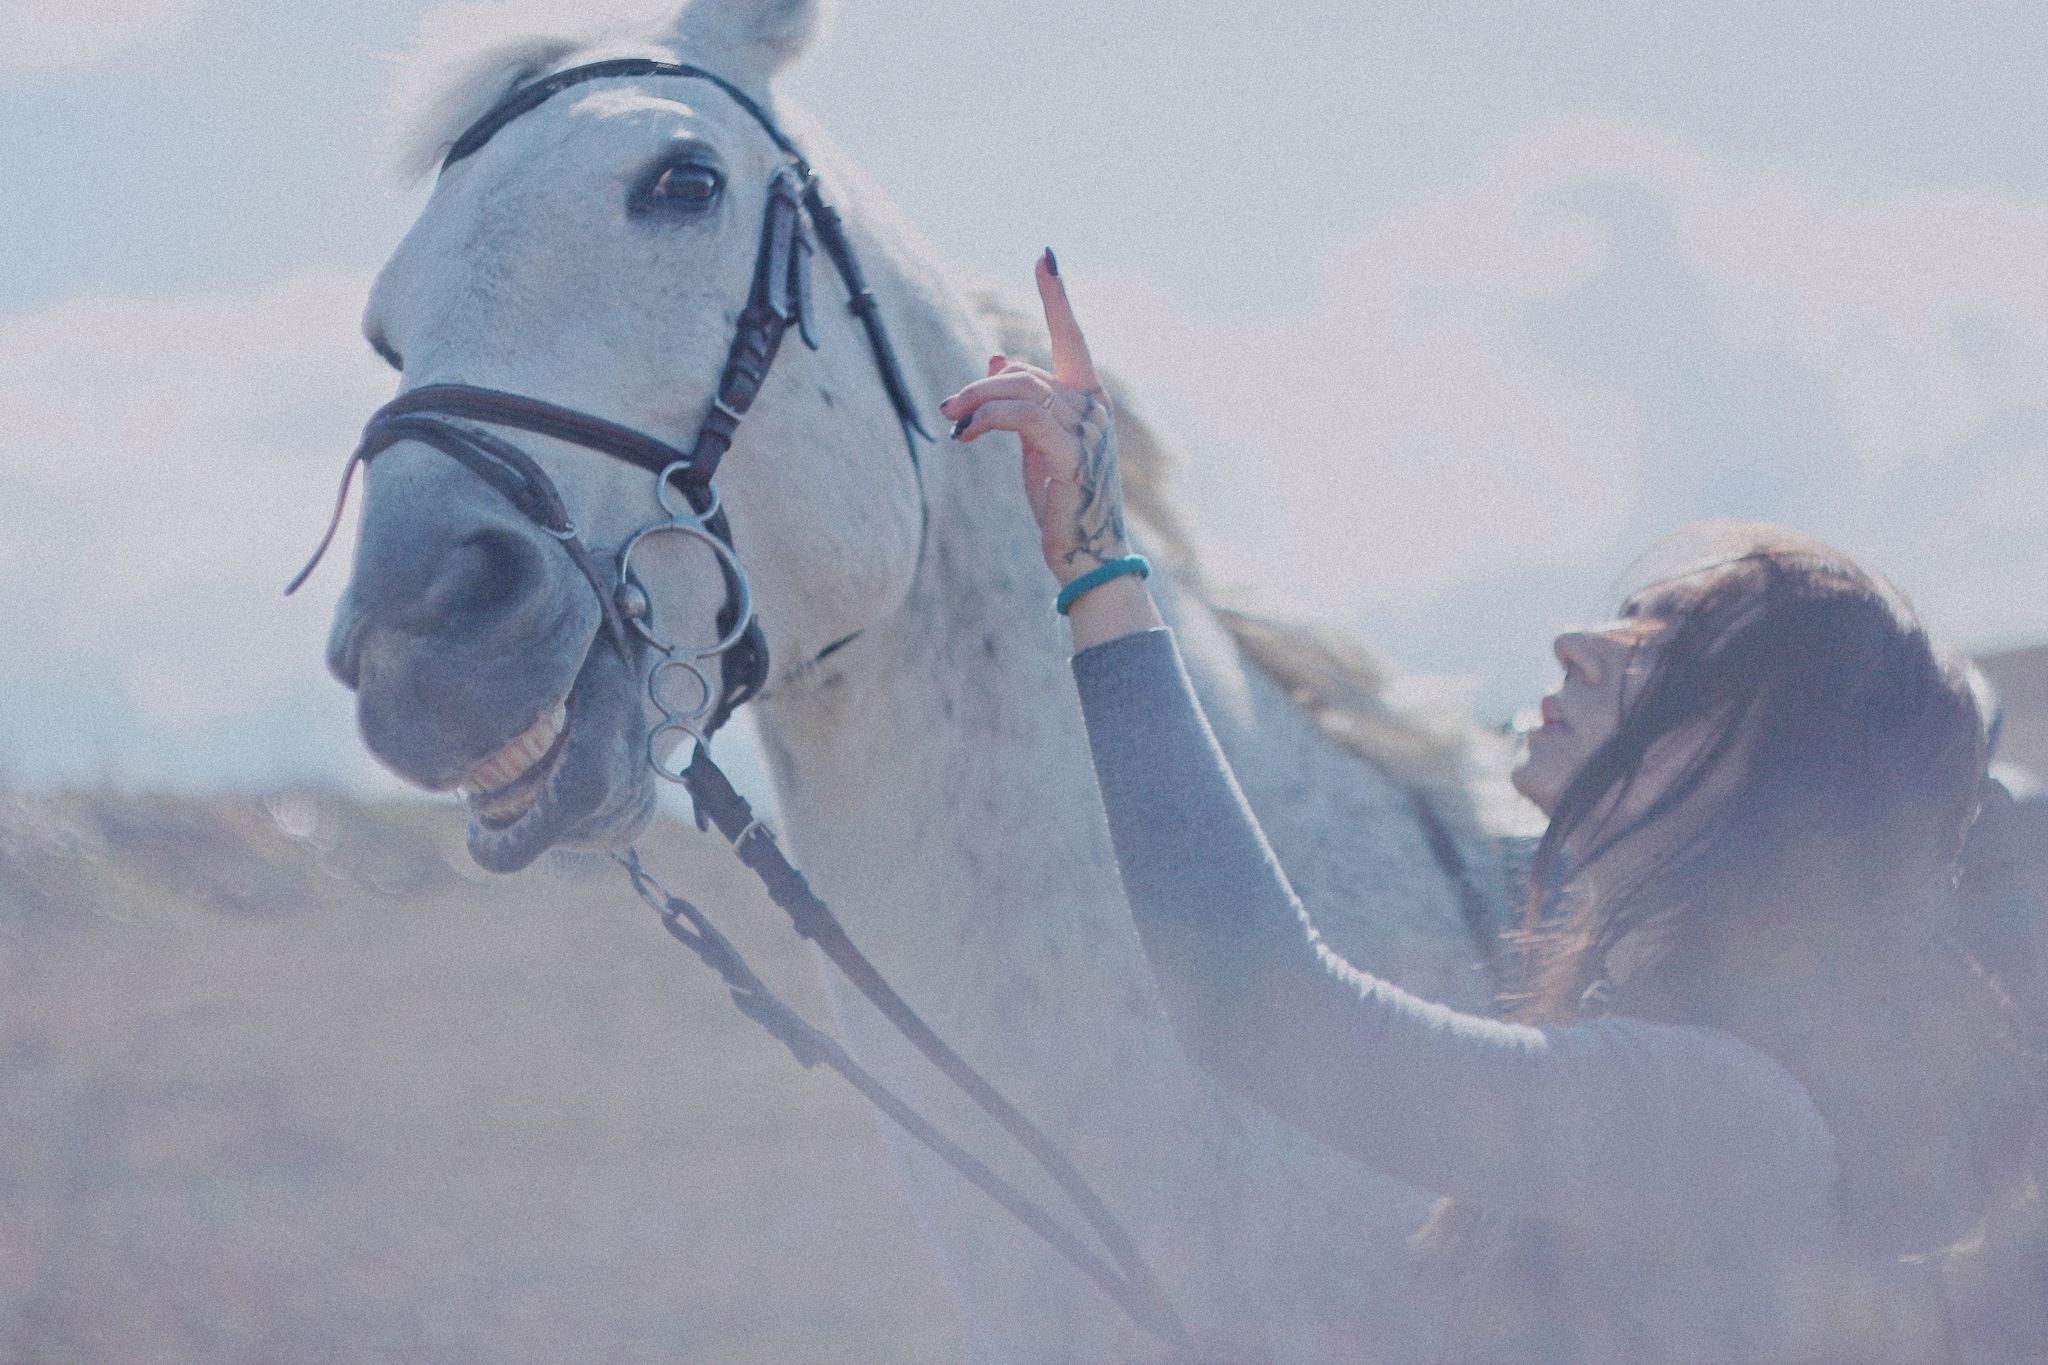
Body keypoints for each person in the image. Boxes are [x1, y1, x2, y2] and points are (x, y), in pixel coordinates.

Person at [940, 253, 2043, 1364]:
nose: (1582, 644)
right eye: (1624, 616)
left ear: (1775, 775)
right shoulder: (1691, 1071)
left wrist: (1097, 567)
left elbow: (1265, 1010)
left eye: (1669, 648)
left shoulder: (1730, 1114)